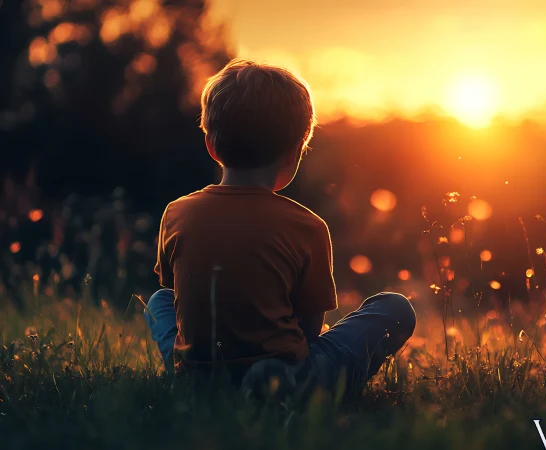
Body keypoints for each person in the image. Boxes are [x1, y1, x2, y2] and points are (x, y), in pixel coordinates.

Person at [144, 59, 416, 400]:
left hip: (200, 374)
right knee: (395, 307)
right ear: (294, 154)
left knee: (160, 300)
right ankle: (270, 384)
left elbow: (181, 300)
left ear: (212, 147)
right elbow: (310, 330)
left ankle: (197, 380)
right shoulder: (308, 227)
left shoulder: (176, 213)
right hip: (291, 378)